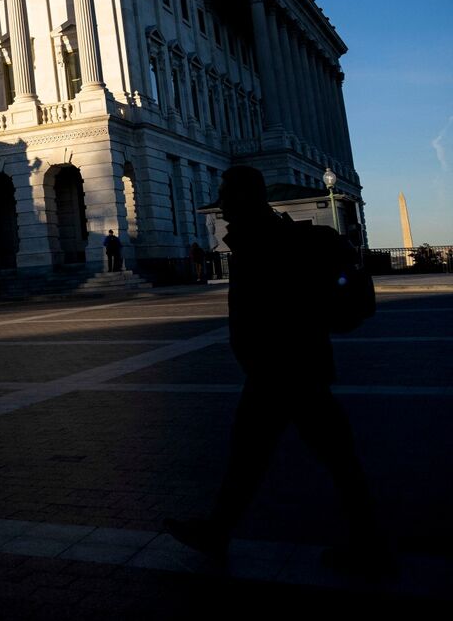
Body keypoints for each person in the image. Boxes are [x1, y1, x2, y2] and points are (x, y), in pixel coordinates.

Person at [164, 166, 392, 577]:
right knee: (259, 457)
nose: (223, 203)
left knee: (324, 457)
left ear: (247, 197)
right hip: (284, 370)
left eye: (228, 194)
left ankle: (370, 544)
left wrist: (263, 352)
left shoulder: (267, 242)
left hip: (286, 371)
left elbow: (273, 309)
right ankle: (219, 530)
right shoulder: (266, 238)